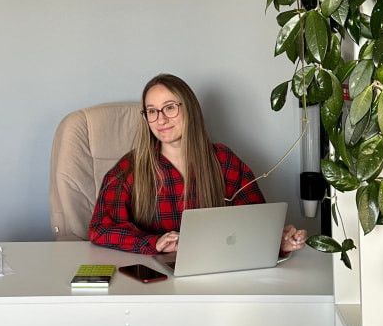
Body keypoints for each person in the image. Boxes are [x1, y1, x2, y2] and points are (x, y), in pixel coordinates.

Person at [89, 73, 307, 257]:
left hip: (216, 270)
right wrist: (153, 243)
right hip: (155, 274)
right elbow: (100, 229)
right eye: (152, 111)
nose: (161, 120)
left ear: (190, 109)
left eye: (170, 108)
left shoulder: (223, 161)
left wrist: (278, 243)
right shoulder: (130, 168)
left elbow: (256, 222)